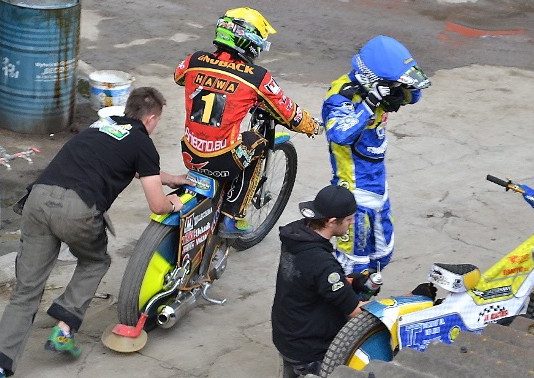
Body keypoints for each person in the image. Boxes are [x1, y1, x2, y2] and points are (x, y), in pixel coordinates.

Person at [0, 87, 189, 378]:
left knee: (26, 290)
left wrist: (170, 178)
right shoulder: (142, 143)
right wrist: (173, 200)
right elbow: (157, 203)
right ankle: (64, 327)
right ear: (152, 118)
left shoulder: (102, 126)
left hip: (38, 200)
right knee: (95, 261)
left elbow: (140, 170)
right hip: (76, 209)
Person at [174, 7, 319, 238]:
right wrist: (312, 126)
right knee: (257, 143)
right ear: (249, 42)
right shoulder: (256, 76)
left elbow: (178, 77)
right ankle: (233, 217)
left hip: (189, 153)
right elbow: (290, 113)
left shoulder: (195, 60)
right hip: (221, 160)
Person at [321, 35, 431, 275]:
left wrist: (399, 91)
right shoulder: (341, 96)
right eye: (391, 85)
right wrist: (370, 103)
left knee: (382, 257)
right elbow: (338, 134)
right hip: (354, 195)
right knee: (354, 268)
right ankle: (347, 310)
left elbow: (415, 95)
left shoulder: (385, 86)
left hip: (379, 187)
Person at [271, 185, 368, 377]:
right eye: (349, 219)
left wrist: (346, 281)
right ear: (332, 221)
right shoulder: (322, 263)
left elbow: (308, 280)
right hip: (310, 348)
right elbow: (356, 311)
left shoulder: (296, 234)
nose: (351, 223)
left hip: (287, 333)